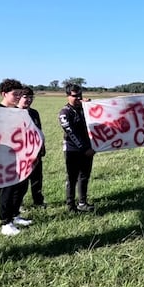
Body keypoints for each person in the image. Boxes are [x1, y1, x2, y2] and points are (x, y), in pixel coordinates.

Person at [0, 79, 33, 236]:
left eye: (20, 94)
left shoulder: (19, 111)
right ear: (4, 94)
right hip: (5, 158)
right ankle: (5, 222)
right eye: (15, 94)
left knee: (21, 187)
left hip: (21, 156)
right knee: (7, 189)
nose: (18, 97)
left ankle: (15, 215)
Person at [58, 83, 95, 212]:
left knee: (84, 176)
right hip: (73, 150)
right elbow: (71, 132)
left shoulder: (83, 109)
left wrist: (89, 105)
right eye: (75, 96)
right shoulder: (65, 112)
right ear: (68, 96)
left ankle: (82, 202)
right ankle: (71, 205)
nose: (78, 98)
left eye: (80, 96)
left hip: (88, 149)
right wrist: (85, 149)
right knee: (72, 178)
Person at [17, 86, 47, 209]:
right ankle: (18, 204)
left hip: (36, 152)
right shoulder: (12, 112)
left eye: (31, 97)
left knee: (37, 179)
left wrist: (42, 147)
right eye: (26, 97)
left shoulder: (34, 113)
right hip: (21, 154)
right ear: (18, 97)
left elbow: (39, 131)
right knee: (21, 181)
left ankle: (38, 202)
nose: (29, 100)